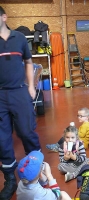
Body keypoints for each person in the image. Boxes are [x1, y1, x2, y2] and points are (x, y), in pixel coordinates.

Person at [0, 6, 41, 199]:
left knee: (26, 131)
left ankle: (36, 170)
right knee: (2, 139)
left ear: (4, 17)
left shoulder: (20, 38)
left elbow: (28, 61)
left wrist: (31, 86)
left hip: (19, 92)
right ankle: (10, 180)